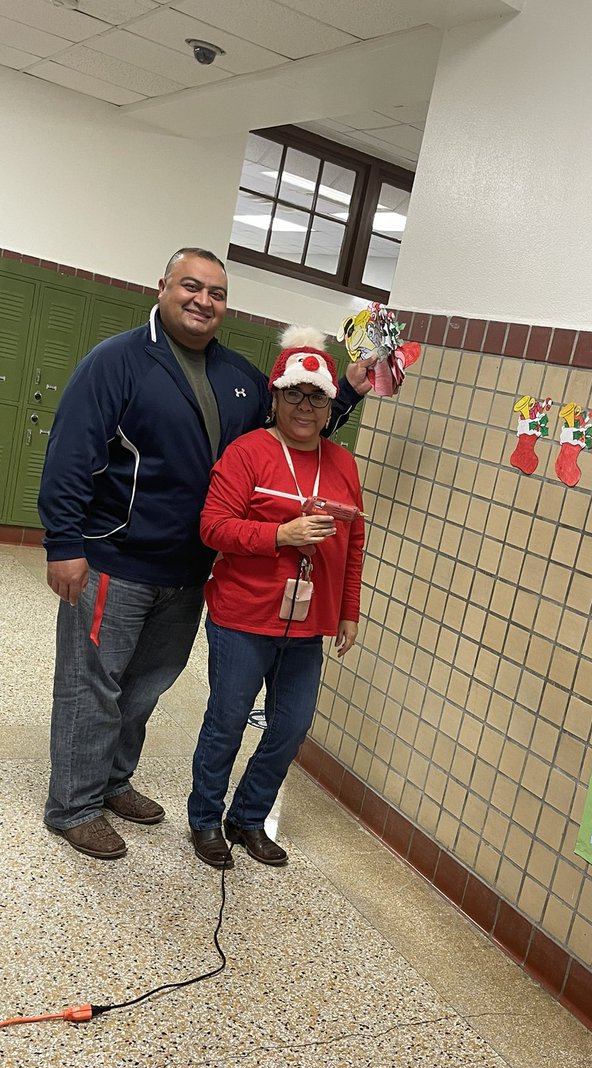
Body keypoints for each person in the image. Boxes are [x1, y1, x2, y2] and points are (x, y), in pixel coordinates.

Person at [38, 249, 371, 861]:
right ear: (162, 286)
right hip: (115, 558)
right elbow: (71, 452)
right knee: (94, 684)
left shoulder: (237, 377)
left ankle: (112, 783)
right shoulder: (116, 361)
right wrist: (64, 543)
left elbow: (293, 425)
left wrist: (344, 391)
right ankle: (74, 805)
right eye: (191, 287)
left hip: (189, 570)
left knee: (144, 686)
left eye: (216, 293)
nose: (203, 301)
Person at [186, 328, 364, 868]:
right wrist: (278, 536)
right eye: (294, 394)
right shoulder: (249, 453)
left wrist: (348, 610)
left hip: (307, 623)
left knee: (290, 726)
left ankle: (247, 818)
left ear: (330, 403)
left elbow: (354, 541)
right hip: (243, 616)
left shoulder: (343, 464)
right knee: (228, 720)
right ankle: (204, 819)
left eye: (316, 396)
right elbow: (213, 527)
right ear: (276, 396)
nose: (304, 407)